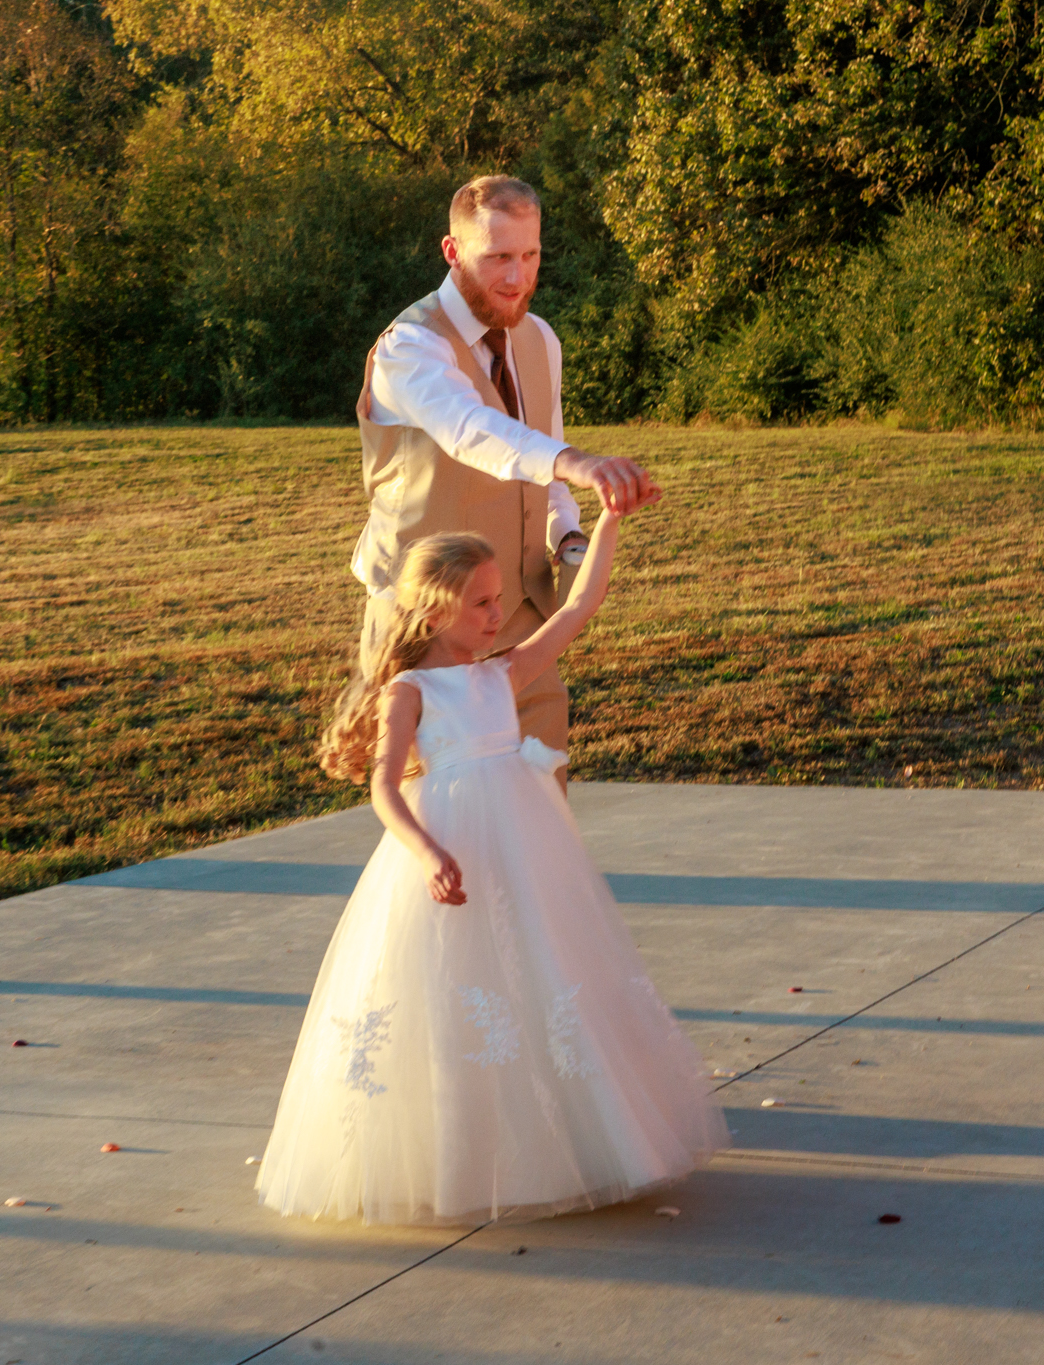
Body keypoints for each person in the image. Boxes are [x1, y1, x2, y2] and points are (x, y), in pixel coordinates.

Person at [255, 510, 726, 1226]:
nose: (497, 613)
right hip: (452, 842)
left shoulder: (502, 672)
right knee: (454, 983)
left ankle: (583, 1130)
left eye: (498, 598)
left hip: (525, 846)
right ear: (434, 610)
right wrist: (427, 851)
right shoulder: (410, 692)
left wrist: (608, 519)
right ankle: (459, 1151)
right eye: (480, 602)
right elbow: (384, 788)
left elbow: (579, 606)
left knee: (544, 963)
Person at [352, 174, 659, 784]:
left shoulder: (541, 339)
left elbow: (544, 473)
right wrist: (579, 460)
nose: (518, 277)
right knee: (440, 815)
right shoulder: (409, 347)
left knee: (541, 803)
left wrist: (567, 534)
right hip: (424, 624)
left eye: (530, 255)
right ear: (453, 251)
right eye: (498, 257)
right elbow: (472, 430)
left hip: (518, 618)